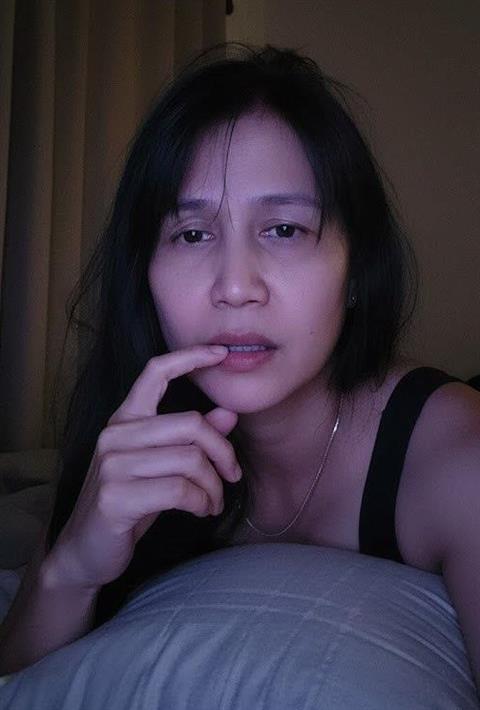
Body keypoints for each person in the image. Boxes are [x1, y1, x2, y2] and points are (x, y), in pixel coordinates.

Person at [0, 43, 479, 690]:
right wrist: (73, 567)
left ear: (357, 269)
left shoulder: (458, 461)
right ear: (145, 275)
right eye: (192, 234)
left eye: (284, 229)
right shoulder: (131, 432)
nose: (234, 287)